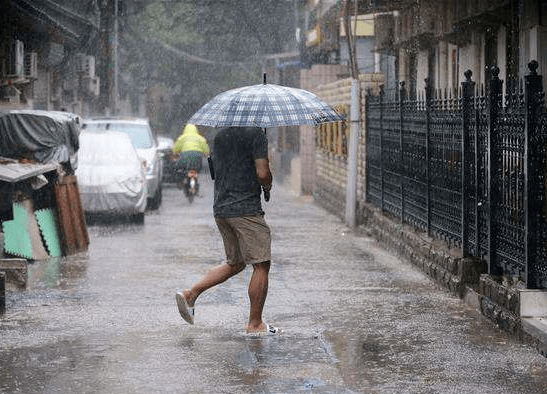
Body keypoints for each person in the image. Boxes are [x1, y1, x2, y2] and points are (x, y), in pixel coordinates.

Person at [175, 126, 281, 335]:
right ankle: (256, 324)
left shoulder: (221, 135)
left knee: (236, 262)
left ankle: (190, 294)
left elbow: (215, 170)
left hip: (222, 208)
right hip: (246, 210)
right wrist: (267, 183)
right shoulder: (256, 134)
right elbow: (262, 173)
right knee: (261, 264)